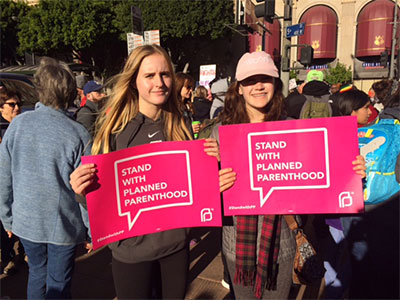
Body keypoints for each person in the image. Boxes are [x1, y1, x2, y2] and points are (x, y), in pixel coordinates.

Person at [69, 45, 220, 300]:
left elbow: (193, 186)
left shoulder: (180, 123)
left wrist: (212, 163)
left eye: (165, 74)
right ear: (134, 81)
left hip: (175, 247)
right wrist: (80, 189)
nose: (159, 83)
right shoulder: (114, 131)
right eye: (149, 76)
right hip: (131, 252)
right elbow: (98, 198)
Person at [213, 51, 366, 300]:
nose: (259, 86)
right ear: (239, 88)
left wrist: (351, 171)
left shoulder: (294, 129)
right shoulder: (220, 134)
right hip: (237, 244)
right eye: (250, 80)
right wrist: (213, 184)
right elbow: (205, 200)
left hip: (282, 242)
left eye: (266, 78)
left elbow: (321, 175)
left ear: (276, 84)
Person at [0, 57, 91, 299]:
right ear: (70, 91)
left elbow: (4, 177)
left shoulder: (17, 126)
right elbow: (84, 189)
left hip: (26, 221)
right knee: (59, 281)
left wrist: (7, 217)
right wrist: (91, 228)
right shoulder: (78, 134)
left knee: (37, 273)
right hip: (63, 224)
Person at [0, 88, 24, 275]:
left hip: (21, 187)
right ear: (1, 109)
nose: (17, 108)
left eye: (19, 104)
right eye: (12, 105)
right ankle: (9, 258)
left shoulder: (24, 127)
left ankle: (20, 256)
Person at [175, 72, 198, 137]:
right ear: (179, 86)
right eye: (188, 87)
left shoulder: (188, 105)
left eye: (192, 88)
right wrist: (190, 129)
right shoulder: (172, 107)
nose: (191, 90)